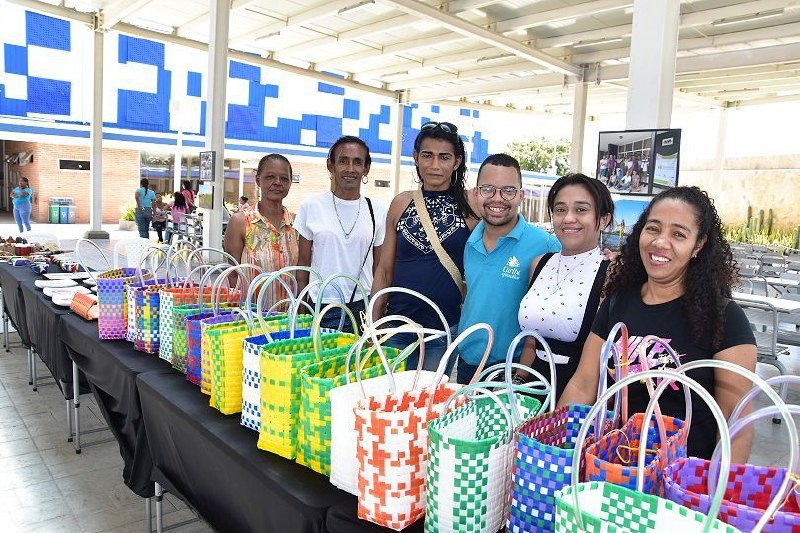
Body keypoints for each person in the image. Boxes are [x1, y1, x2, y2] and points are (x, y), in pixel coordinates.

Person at [559, 186, 756, 462]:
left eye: (678, 234)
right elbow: (582, 384)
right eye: (653, 228)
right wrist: (559, 451)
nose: (660, 242)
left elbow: (735, 422)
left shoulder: (726, 319)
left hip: (681, 481)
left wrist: (714, 494)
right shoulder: (616, 303)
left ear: (698, 245)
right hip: (614, 470)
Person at [371, 121, 479, 372]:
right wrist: (374, 324)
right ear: (416, 157)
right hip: (396, 327)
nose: (435, 165)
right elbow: (384, 270)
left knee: (429, 404)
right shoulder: (400, 204)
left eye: (444, 157)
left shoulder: (470, 209)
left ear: (457, 161)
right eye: (428, 156)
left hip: (442, 329)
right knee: (389, 400)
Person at [455, 154, 561, 384]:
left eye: (508, 191)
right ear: (476, 193)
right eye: (488, 189)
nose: (497, 198)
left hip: (514, 370)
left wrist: (521, 374)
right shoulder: (469, 241)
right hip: (467, 362)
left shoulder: (546, 245)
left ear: (521, 196)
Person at [514, 174, 614, 400]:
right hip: (532, 387)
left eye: (581, 210)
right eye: (560, 210)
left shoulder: (611, 272)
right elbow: (532, 341)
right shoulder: (540, 264)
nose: (568, 218)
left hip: (578, 394)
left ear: (604, 219)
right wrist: (517, 383)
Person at [295, 136, 387, 334]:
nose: (350, 169)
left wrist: (377, 309)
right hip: (321, 304)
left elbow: (380, 268)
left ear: (366, 168)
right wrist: (301, 305)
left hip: (362, 305)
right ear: (331, 165)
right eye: (343, 161)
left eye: (357, 162)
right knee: (322, 363)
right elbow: (303, 263)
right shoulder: (311, 206)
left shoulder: (377, 210)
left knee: (359, 364)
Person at [224, 154, 299, 306]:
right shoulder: (240, 222)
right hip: (252, 319)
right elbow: (232, 274)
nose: (277, 183)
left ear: (290, 183)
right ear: (258, 180)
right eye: (270, 177)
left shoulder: (296, 224)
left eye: (284, 178)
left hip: (290, 322)